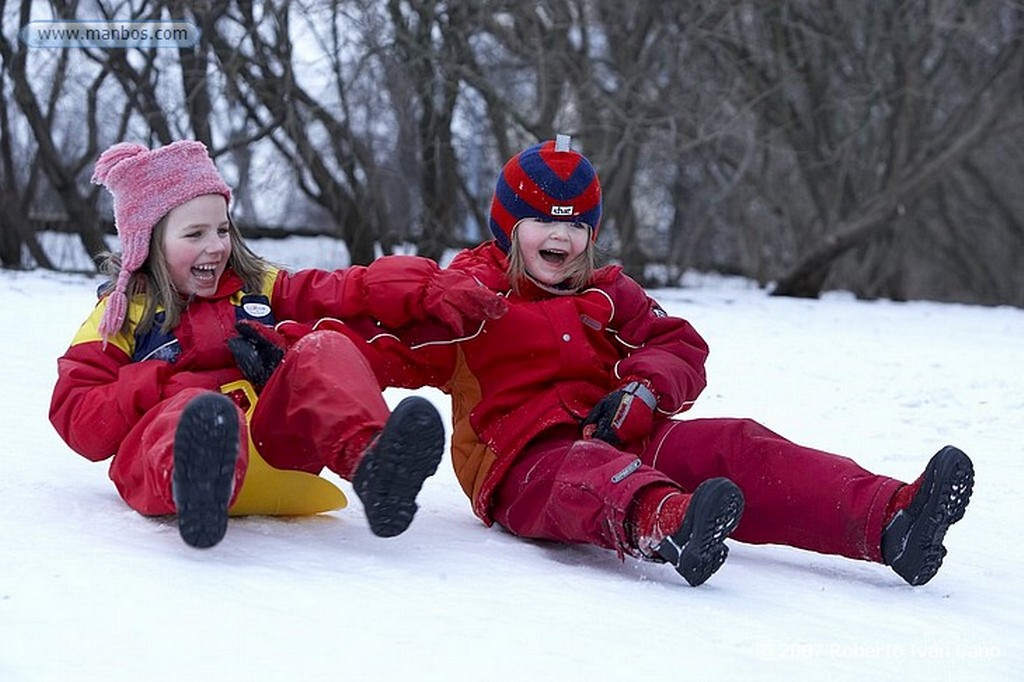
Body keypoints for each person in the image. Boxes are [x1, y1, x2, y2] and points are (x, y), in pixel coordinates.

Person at [337, 136, 975, 586]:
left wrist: (643, 391)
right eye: (541, 222)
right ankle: (668, 524)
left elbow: (679, 345)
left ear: (593, 233)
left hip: (629, 431)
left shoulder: (608, 292)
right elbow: (386, 348)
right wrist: (294, 349)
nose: (560, 237)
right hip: (522, 466)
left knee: (738, 444)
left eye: (576, 225)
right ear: (508, 227)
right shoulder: (471, 298)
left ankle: (891, 518)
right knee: (584, 471)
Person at [49, 140, 506, 549]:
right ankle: (201, 484)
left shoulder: (258, 287)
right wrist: (162, 382)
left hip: (273, 454)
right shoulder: (122, 316)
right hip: (166, 468)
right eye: (195, 234)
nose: (215, 246)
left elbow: (345, 289)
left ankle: (374, 466)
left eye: (222, 230)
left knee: (322, 346)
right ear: (146, 242)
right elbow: (77, 413)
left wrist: (424, 288)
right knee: (195, 409)